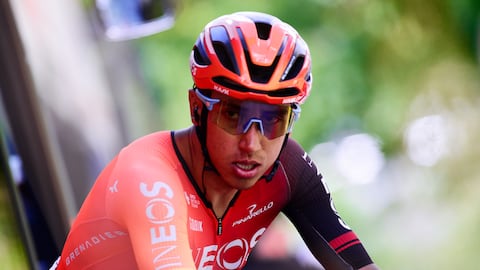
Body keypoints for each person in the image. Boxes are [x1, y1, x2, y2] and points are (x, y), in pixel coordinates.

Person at [51, 11, 380, 270]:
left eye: (273, 120)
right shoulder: (149, 177)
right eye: (233, 115)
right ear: (197, 110)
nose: (252, 143)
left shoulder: (287, 169)